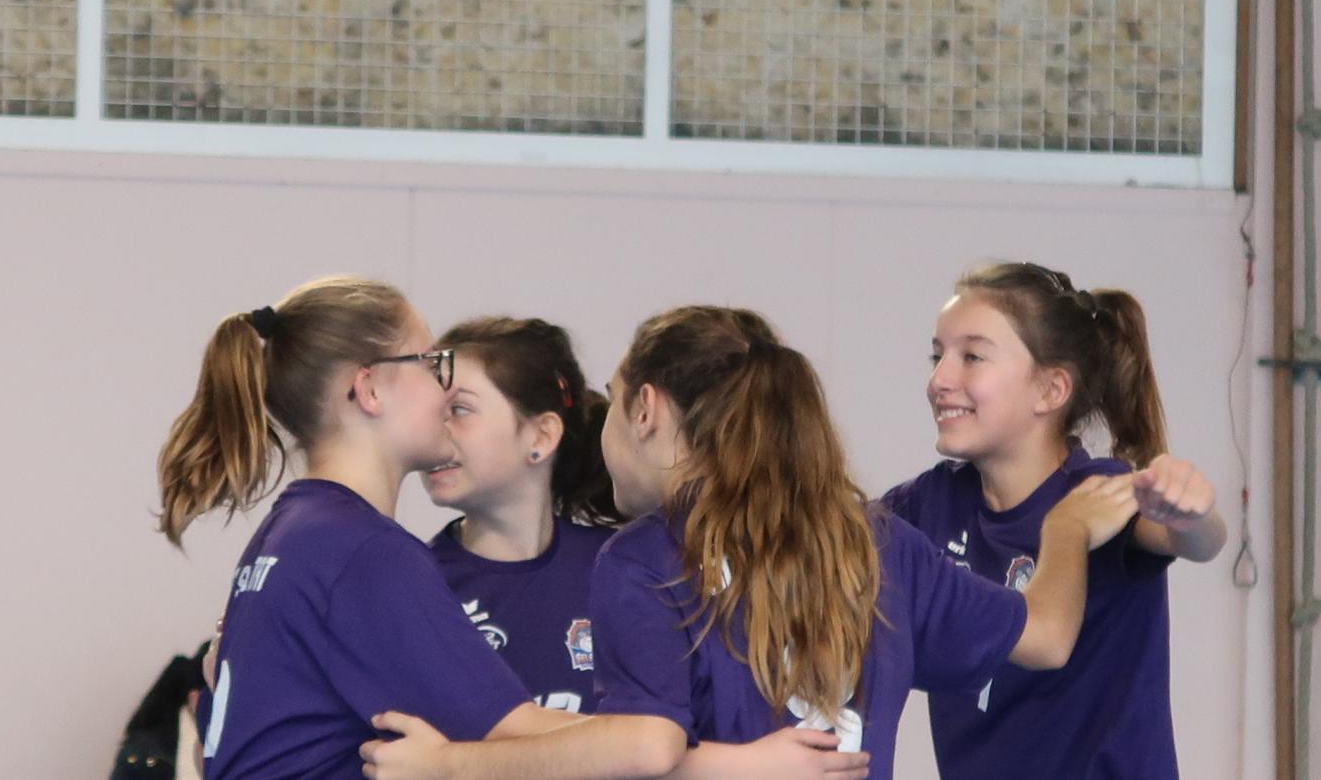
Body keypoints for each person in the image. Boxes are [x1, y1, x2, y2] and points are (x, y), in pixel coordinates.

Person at [362, 305, 1141, 780]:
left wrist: (451, 766)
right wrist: (1067, 529)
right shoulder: (877, 542)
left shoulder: (645, 559)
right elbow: (1047, 636)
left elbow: (643, 752)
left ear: (646, 410)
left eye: (616, 402)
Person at [167, 281, 865, 780]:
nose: (444, 386)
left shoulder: (298, 532)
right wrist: (733, 766)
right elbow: (545, 739)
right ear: (370, 389)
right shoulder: (363, 553)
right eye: (430, 364)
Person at [881, 262, 1227, 779]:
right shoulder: (927, 505)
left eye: (971, 357)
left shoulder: (1095, 493)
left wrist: (1191, 511)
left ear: (1050, 390)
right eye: (938, 356)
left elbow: (1196, 540)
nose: (939, 381)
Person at [425, 317, 622, 714]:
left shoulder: (623, 570)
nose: (432, 433)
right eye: (430, 413)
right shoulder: (416, 584)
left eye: (459, 409)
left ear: (541, 436)